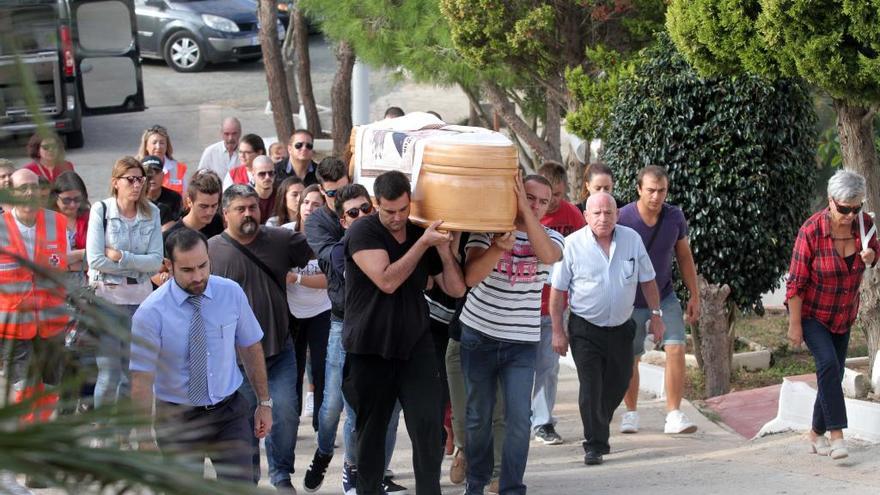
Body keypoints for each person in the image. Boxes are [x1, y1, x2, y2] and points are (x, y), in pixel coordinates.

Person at [343, 170, 466, 495]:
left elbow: (455, 288)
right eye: (389, 211)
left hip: (416, 347)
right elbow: (387, 279)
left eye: (402, 209)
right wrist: (423, 243)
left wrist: (441, 249)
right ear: (375, 204)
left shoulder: (419, 231)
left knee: (429, 432)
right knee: (371, 435)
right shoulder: (363, 231)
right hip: (371, 348)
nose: (397, 218)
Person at [130, 228, 273, 482]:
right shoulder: (150, 313)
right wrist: (142, 437)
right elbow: (141, 378)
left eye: (203, 266)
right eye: (187, 270)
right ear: (169, 266)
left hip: (229, 412)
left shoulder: (231, 293)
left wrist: (264, 403)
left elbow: (250, 346)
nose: (198, 276)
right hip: (177, 419)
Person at [302, 164, 406, 495]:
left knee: (368, 410)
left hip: (380, 327)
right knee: (332, 408)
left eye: (366, 208)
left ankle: (364, 470)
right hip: (342, 322)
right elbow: (334, 258)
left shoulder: (385, 227)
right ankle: (324, 452)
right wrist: (360, 234)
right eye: (349, 209)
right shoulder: (320, 223)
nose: (361, 213)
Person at [458, 174, 563, 495]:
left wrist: (525, 213)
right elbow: (471, 277)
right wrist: (497, 247)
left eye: (542, 201)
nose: (535, 205)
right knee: (478, 417)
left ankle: (512, 488)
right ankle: (475, 484)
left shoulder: (553, 238)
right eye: (529, 197)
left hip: (521, 343)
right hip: (478, 335)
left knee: (519, 420)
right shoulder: (486, 228)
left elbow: (548, 257)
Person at [207, 184, 312, 492]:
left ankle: (281, 476)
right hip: (234, 362)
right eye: (241, 209)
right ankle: (249, 482)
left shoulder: (280, 239)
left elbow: (318, 247)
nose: (249, 213)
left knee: (286, 415)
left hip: (279, 352)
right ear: (225, 213)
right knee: (244, 426)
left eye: (253, 207)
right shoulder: (211, 250)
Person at [549, 192, 665, 466]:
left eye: (608, 212)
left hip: (622, 328)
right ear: (586, 216)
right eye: (597, 213)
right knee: (591, 386)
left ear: (617, 215)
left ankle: (598, 419)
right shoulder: (572, 244)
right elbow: (557, 292)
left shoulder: (631, 240)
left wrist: (656, 315)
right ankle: (595, 444)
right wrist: (557, 330)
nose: (603, 218)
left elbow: (648, 280)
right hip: (585, 329)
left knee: (620, 381)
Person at [786, 169, 878, 460]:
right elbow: (796, 284)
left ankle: (815, 433)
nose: (851, 214)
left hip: (843, 314)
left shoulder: (865, 226)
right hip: (813, 313)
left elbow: (876, 250)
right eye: (844, 208)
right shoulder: (811, 231)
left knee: (834, 374)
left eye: (856, 207)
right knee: (827, 364)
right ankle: (837, 436)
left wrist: (871, 257)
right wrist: (795, 324)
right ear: (830, 201)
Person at [618, 165, 700, 435]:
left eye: (661, 190)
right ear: (639, 189)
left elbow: (685, 256)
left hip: (664, 295)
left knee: (676, 347)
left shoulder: (674, 217)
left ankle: (674, 413)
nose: (656, 196)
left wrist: (694, 295)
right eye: (651, 190)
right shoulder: (622, 218)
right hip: (631, 301)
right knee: (631, 356)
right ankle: (630, 413)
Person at [86, 157, 163, 410]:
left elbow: (155, 262)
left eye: (140, 179)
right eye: (130, 179)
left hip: (139, 302)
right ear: (115, 182)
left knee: (133, 376)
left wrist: (121, 257)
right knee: (109, 374)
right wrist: (135, 265)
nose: (137, 184)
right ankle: (102, 429)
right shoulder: (102, 210)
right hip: (106, 300)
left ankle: (122, 434)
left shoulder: (152, 212)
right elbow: (95, 259)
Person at [1, 169, 69, 419]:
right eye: (22, 188)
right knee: (24, 390)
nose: (29, 193)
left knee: (51, 389)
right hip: (14, 329)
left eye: (34, 187)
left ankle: (44, 437)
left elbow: (64, 265)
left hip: (51, 325)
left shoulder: (57, 223)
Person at [532, 162, 586, 445]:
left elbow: (584, 251)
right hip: (522, 306)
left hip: (553, 306)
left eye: (559, 195)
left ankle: (542, 421)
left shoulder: (573, 215)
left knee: (547, 367)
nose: (553, 202)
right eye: (548, 195)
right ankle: (516, 419)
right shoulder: (528, 215)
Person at [282, 184, 330, 432]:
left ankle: (321, 426)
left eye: (316, 204)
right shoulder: (284, 233)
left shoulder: (329, 237)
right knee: (294, 370)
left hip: (322, 310)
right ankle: (291, 424)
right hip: (292, 312)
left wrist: (297, 279)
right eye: (306, 202)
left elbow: (331, 280)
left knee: (321, 370)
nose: (310, 208)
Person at [152, 170, 224, 287]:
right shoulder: (169, 237)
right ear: (189, 201)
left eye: (214, 205)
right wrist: (165, 279)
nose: (210, 212)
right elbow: (153, 273)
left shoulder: (217, 222)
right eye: (204, 206)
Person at [50, 171, 90, 280]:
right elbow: (45, 261)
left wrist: (67, 263)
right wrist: (80, 254)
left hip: (88, 285)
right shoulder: (46, 220)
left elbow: (99, 256)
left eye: (77, 199)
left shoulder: (91, 218)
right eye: (66, 200)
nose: (72, 205)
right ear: (55, 197)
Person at [137, 125, 188, 195]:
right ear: (146, 146)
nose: (158, 147)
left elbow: (186, 196)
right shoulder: (137, 168)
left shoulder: (178, 168)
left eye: (162, 143)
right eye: (154, 143)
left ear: (167, 146)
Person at [142, 155, 183, 229]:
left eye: (157, 172)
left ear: (163, 175)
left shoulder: (174, 197)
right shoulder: (135, 198)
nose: (152, 176)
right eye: (148, 172)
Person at [252, 156, 277, 224]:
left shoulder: (282, 196)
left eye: (271, 173)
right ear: (253, 174)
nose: (267, 177)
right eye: (262, 174)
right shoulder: (246, 198)